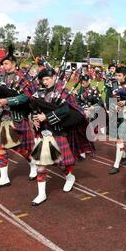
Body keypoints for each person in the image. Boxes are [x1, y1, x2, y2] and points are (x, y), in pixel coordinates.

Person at [30, 68, 88, 205]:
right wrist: (35, 119)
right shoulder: (39, 93)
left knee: (60, 163)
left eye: (48, 79)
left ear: (55, 77)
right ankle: (41, 194)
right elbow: (34, 109)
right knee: (41, 165)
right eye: (43, 80)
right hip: (45, 134)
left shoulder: (64, 92)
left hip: (59, 132)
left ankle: (69, 177)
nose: (45, 82)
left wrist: (47, 117)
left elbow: (69, 111)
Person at [0, 45, 37, 189]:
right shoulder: (0, 78)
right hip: (4, 118)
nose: (4, 66)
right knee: (2, 147)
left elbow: (27, 96)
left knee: (21, 148)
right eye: (3, 64)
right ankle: (4, 178)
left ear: (14, 64)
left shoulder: (22, 77)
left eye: (6, 64)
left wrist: (8, 101)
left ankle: (32, 162)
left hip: (18, 117)